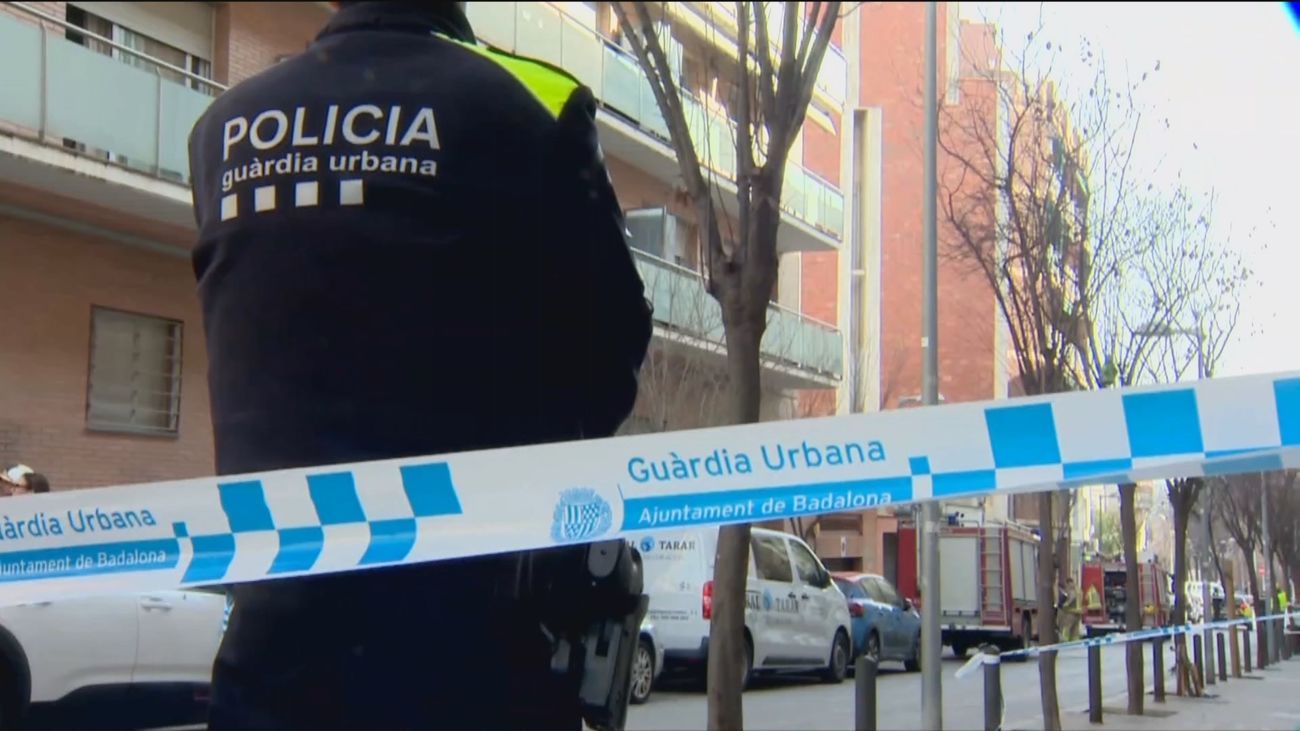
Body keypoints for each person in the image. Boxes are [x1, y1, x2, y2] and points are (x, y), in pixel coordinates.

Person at [186, 1, 653, 729]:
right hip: (473, 655)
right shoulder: (530, 104)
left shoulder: (225, 128)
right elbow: (612, 338)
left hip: (272, 660)